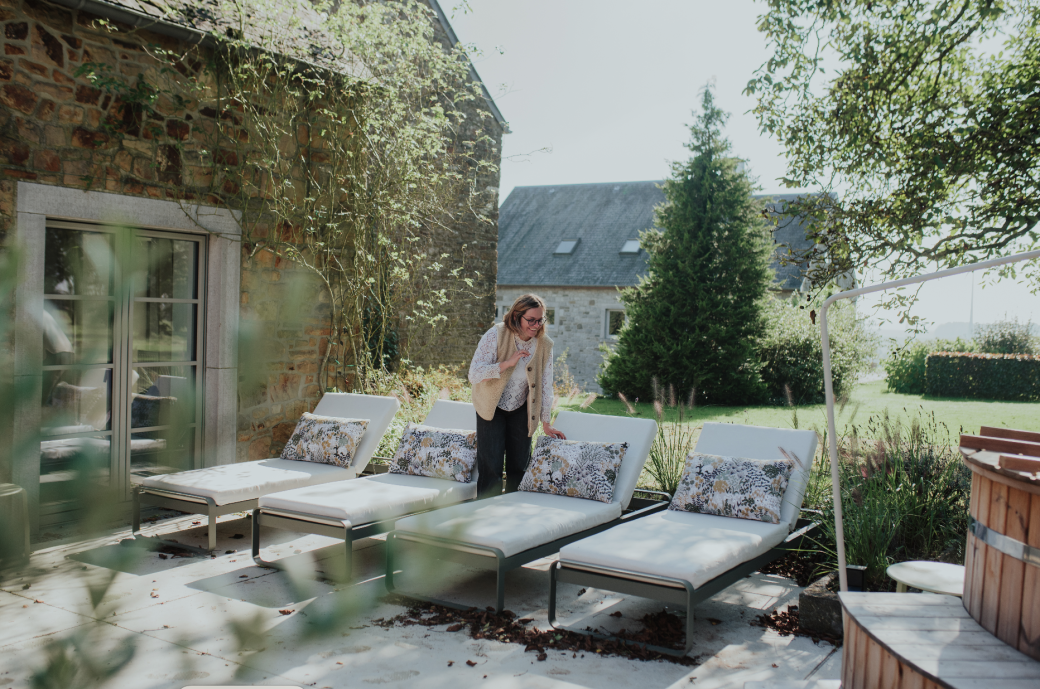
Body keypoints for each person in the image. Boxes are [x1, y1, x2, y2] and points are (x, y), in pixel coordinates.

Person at [468, 294, 566, 497]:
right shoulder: (496, 334)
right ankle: (486, 512)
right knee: (491, 467)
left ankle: (514, 511)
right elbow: (474, 374)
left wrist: (546, 422)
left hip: (522, 409)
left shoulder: (545, 344)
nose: (536, 325)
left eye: (540, 320)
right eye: (531, 320)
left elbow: (545, 385)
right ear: (516, 316)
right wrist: (506, 364)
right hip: (491, 407)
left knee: (519, 467)